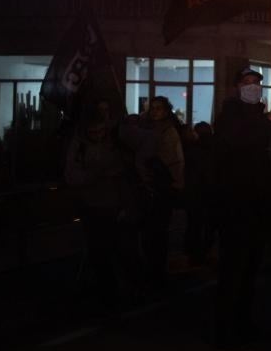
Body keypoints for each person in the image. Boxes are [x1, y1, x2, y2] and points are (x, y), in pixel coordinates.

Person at [214, 67, 271, 348]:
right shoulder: (231, 114)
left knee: (251, 266)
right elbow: (238, 141)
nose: (253, 87)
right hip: (235, 203)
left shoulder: (259, 115)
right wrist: (266, 125)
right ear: (237, 87)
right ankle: (226, 326)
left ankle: (243, 320)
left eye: (256, 83)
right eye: (247, 83)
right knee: (234, 267)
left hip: (257, 202)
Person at [65, 113, 136, 309]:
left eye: (100, 132)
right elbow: (71, 175)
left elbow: (124, 177)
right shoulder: (79, 147)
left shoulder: (114, 146)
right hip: (91, 205)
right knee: (99, 252)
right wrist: (95, 174)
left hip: (112, 205)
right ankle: (109, 293)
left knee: (119, 249)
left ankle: (126, 288)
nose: (97, 135)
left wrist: (125, 205)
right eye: (93, 132)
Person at [120, 95, 185, 292]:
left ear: (166, 111)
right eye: (153, 108)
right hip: (147, 187)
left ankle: (157, 273)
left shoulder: (169, 131)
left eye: (159, 108)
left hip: (162, 188)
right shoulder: (147, 128)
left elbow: (167, 159)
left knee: (157, 233)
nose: (155, 111)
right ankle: (150, 271)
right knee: (148, 233)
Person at [182, 121, 217, 266]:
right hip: (210, 191)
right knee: (209, 224)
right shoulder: (216, 148)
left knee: (194, 224)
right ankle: (205, 251)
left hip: (196, 191)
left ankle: (194, 253)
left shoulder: (192, 150)